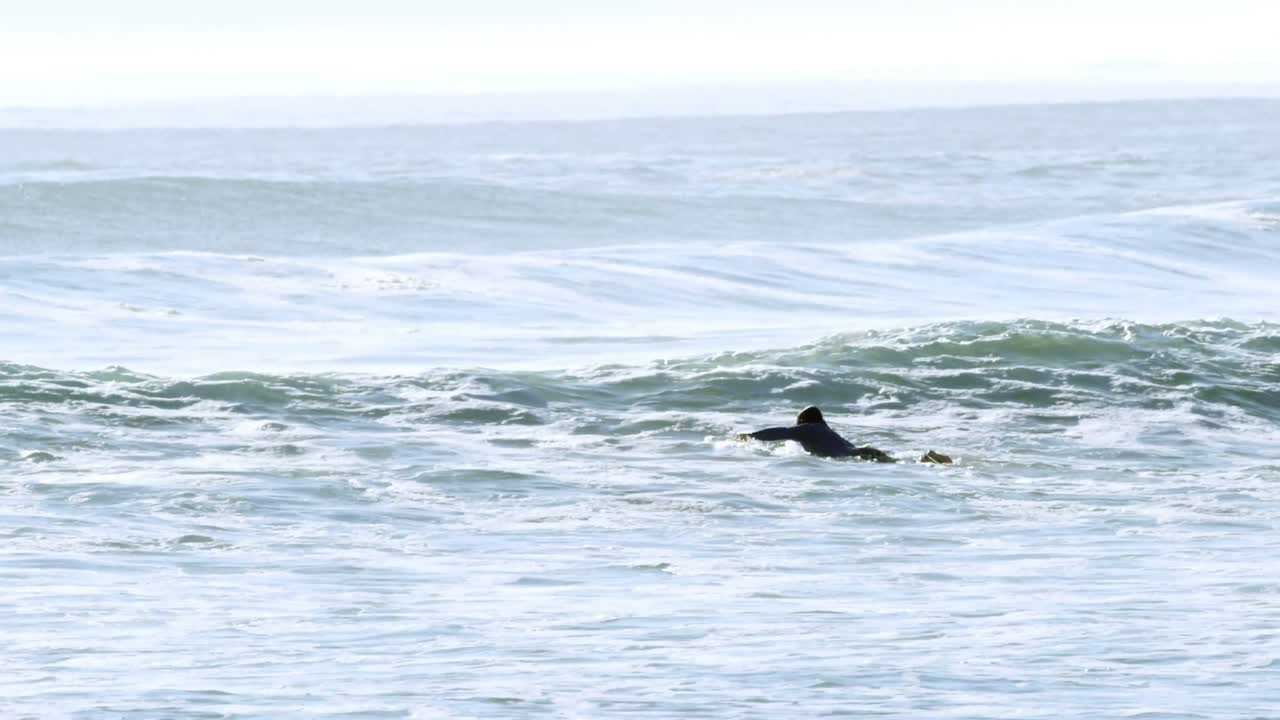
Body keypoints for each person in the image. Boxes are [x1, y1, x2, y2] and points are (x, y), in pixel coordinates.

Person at [736, 406, 952, 463]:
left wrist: (750, 436)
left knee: (893, 463)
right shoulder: (824, 430)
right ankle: (926, 458)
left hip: (856, 455)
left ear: (802, 421)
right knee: (895, 462)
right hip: (863, 451)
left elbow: (779, 432)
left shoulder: (808, 429)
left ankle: (926, 458)